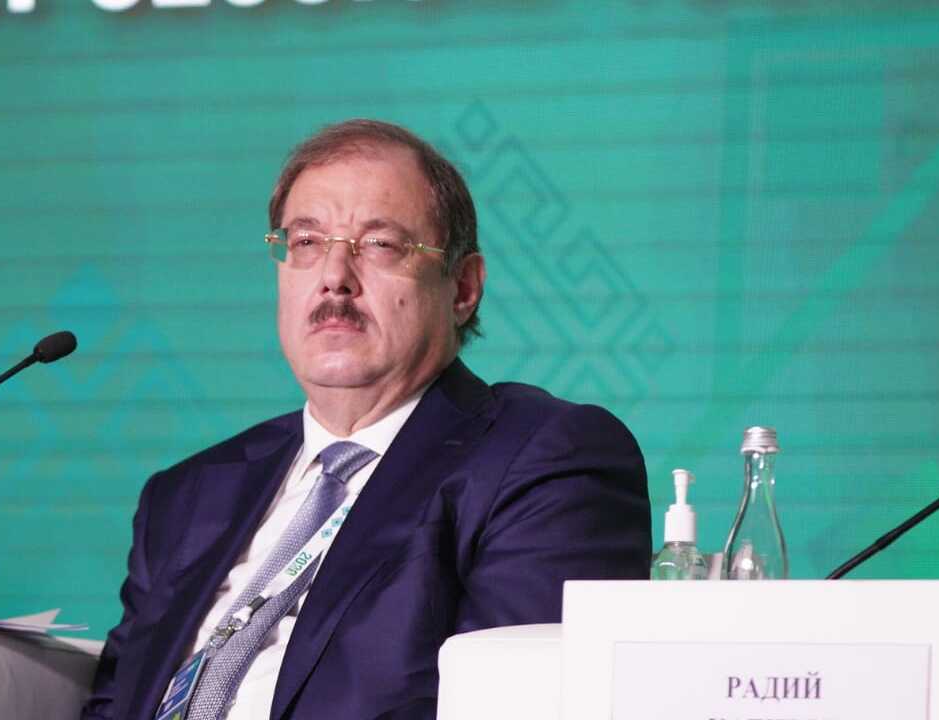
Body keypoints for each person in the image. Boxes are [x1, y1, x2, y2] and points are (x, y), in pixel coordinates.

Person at [81, 119, 650, 720]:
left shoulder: (543, 459)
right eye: (306, 242)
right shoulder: (189, 494)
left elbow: (518, 704)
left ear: (462, 288)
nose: (334, 277)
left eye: (380, 244)